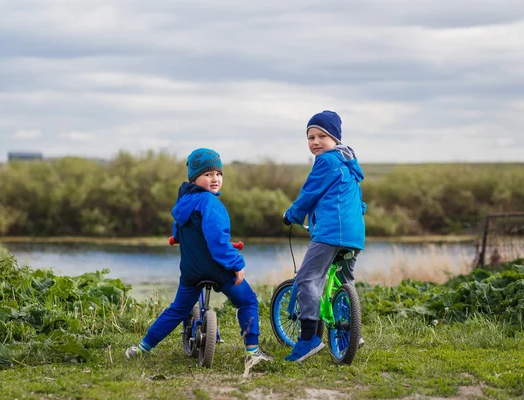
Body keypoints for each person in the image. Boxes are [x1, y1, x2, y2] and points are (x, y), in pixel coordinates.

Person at [126, 148, 272, 369]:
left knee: (178, 309)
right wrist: (236, 263)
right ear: (195, 177)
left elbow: (180, 225)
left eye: (218, 174)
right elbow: (217, 241)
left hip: (191, 271)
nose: (215, 179)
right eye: (208, 174)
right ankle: (252, 351)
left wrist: (177, 238)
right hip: (217, 269)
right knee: (248, 300)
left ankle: (143, 348)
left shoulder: (184, 201)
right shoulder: (210, 203)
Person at [282, 110, 367, 362]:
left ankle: (308, 339)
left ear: (335, 139)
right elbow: (360, 203)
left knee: (308, 278)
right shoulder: (349, 164)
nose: (316, 142)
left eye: (322, 136)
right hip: (354, 233)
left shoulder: (327, 161)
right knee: (343, 279)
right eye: (310, 137)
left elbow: (309, 194)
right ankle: (352, 332)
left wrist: (291, 215)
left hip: (330, 233)